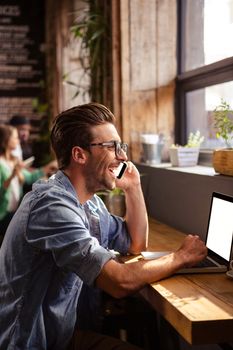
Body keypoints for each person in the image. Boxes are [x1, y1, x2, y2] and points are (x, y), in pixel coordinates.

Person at [0, 103, 207, 350]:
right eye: (112, 147)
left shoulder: (90, 203)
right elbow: (119, 282)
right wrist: (181, 257)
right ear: (79, 155)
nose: (122, 156)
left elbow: (135, 242)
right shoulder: (51, 207)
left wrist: (133, 188)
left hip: (60, 337)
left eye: (121, 147)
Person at [0, 124, 57, 237]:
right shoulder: (1, 164)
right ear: (6, 140)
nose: (18, 140)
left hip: (14, 211)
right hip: (3, 215)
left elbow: (30, 178)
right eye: (15, 137)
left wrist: (48, 167)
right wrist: (12, 175)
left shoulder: (14, 160)